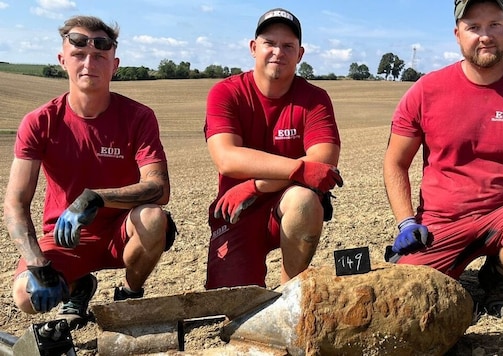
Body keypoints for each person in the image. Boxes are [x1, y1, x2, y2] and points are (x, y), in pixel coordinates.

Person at [382, 0, 503, 322]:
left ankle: (497, 277)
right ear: (458, 34)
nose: (485, 36)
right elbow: (395, 163)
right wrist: (406, 222)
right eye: (474, 27)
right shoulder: (426, 90)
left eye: (495, 25)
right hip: (442, 216)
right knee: (405, 297)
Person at [4, 15, 177, 329]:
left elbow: (159, 188)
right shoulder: (40, 122)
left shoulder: (138, 116)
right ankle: (77, 287)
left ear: (115, 65)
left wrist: (96, 198)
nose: (89, 63)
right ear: (62, 60)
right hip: (66, 238)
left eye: (100, 56)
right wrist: (37, 263)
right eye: (78, 55)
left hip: (121, 232)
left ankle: (129, 294)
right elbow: (15, 204)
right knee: (24, 296)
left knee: (154, 218)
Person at [203, 8, 343, 289]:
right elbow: (227, 158)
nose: (278, 51)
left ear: (300, 54)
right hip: (236, 211)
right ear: (254, 48)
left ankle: (289, 291)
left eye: (288, 46)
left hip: (286, 204)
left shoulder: (314, 99)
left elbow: (323, 161)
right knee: (233, 303)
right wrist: (298, 168)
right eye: (270, 43)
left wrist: (256, 185)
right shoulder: (226, 92)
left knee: (304, 200)